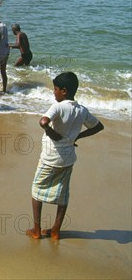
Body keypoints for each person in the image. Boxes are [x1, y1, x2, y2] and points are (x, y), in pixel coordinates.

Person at [27, 72, 104, 240]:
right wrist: (77, 137)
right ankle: (55, 230)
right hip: (68, 159)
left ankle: (37, 229)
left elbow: (43, 122)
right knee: (62, 194)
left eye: (55, 89)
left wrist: (50, 132)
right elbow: (98, 127)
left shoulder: (58, 107)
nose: (53, 92)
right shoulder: (81, 110)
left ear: (64, 91)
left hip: (50, 158)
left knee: (36, 191)